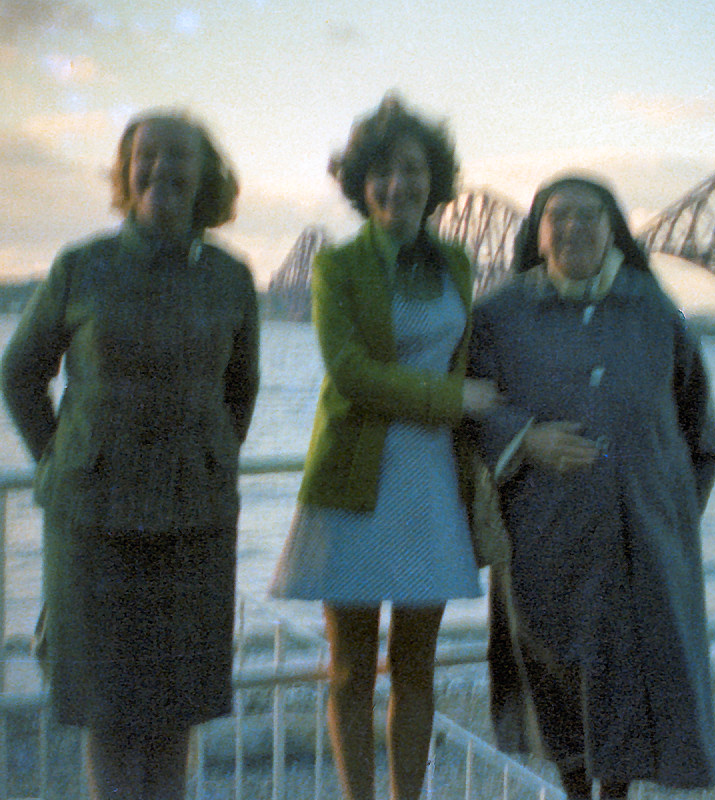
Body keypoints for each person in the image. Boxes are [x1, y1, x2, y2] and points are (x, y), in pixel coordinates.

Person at [1, 110, 260, 800]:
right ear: (124, 171)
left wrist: (207, 461)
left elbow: (242, 390)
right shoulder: (81, 266)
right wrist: (64, 461)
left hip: (195, 524)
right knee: (108, 714)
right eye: (147, 155)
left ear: (205, 176)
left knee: (176, 714)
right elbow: (19, 373)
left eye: (180, 156)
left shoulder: (232, 278)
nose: (162, 168)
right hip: (93, 524)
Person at [268, 94, 498, 800]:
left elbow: (476, 357)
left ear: (435, 180)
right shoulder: (337, 266)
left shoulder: (457, 263)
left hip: (432, 482)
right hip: (353, 482)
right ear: (360, 184)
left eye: (413, 169)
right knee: (350, 667)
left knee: (417, 667)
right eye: (382, 172)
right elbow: (352, 374)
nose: (398, 185)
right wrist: (452, 400)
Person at [468, 174, 715, 799]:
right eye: (559, 215)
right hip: (543, 535)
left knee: (632, 678)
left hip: (642, 543)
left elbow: (699, 424)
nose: (574, 228)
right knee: (554, 675)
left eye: (591, 215)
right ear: (537, 232)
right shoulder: (498, 314)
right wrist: (524, 437)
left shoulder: (656, 309)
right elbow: (471, 406)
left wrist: (670, 516)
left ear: (614, 230)